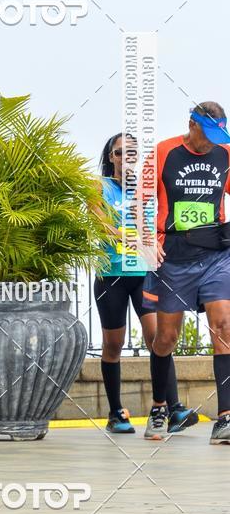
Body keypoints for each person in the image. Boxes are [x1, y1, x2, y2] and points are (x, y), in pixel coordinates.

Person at [141, 102, 230, 443]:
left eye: (216, 135)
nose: (210, 142)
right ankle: (160, 407)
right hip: (175, 257)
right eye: (206, 134)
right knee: (166, 339)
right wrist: (146, 238)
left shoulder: (225, 154)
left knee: (223, 327)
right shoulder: (164, 152)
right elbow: (138, 201)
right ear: (191, 125)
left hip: (216, 254)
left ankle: (225, 418)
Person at [95, 133, 195, 434]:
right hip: (111, 274)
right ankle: (115, 413)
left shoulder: (148, 191)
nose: (127, 158)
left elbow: (161, 222)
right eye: (121, 153)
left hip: (145, 274)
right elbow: (99, 221)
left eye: (133, 153)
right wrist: (129, 236)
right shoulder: (98, 187)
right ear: (112, 157)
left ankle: (173, 408)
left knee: (160, 338)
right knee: (114, 344)